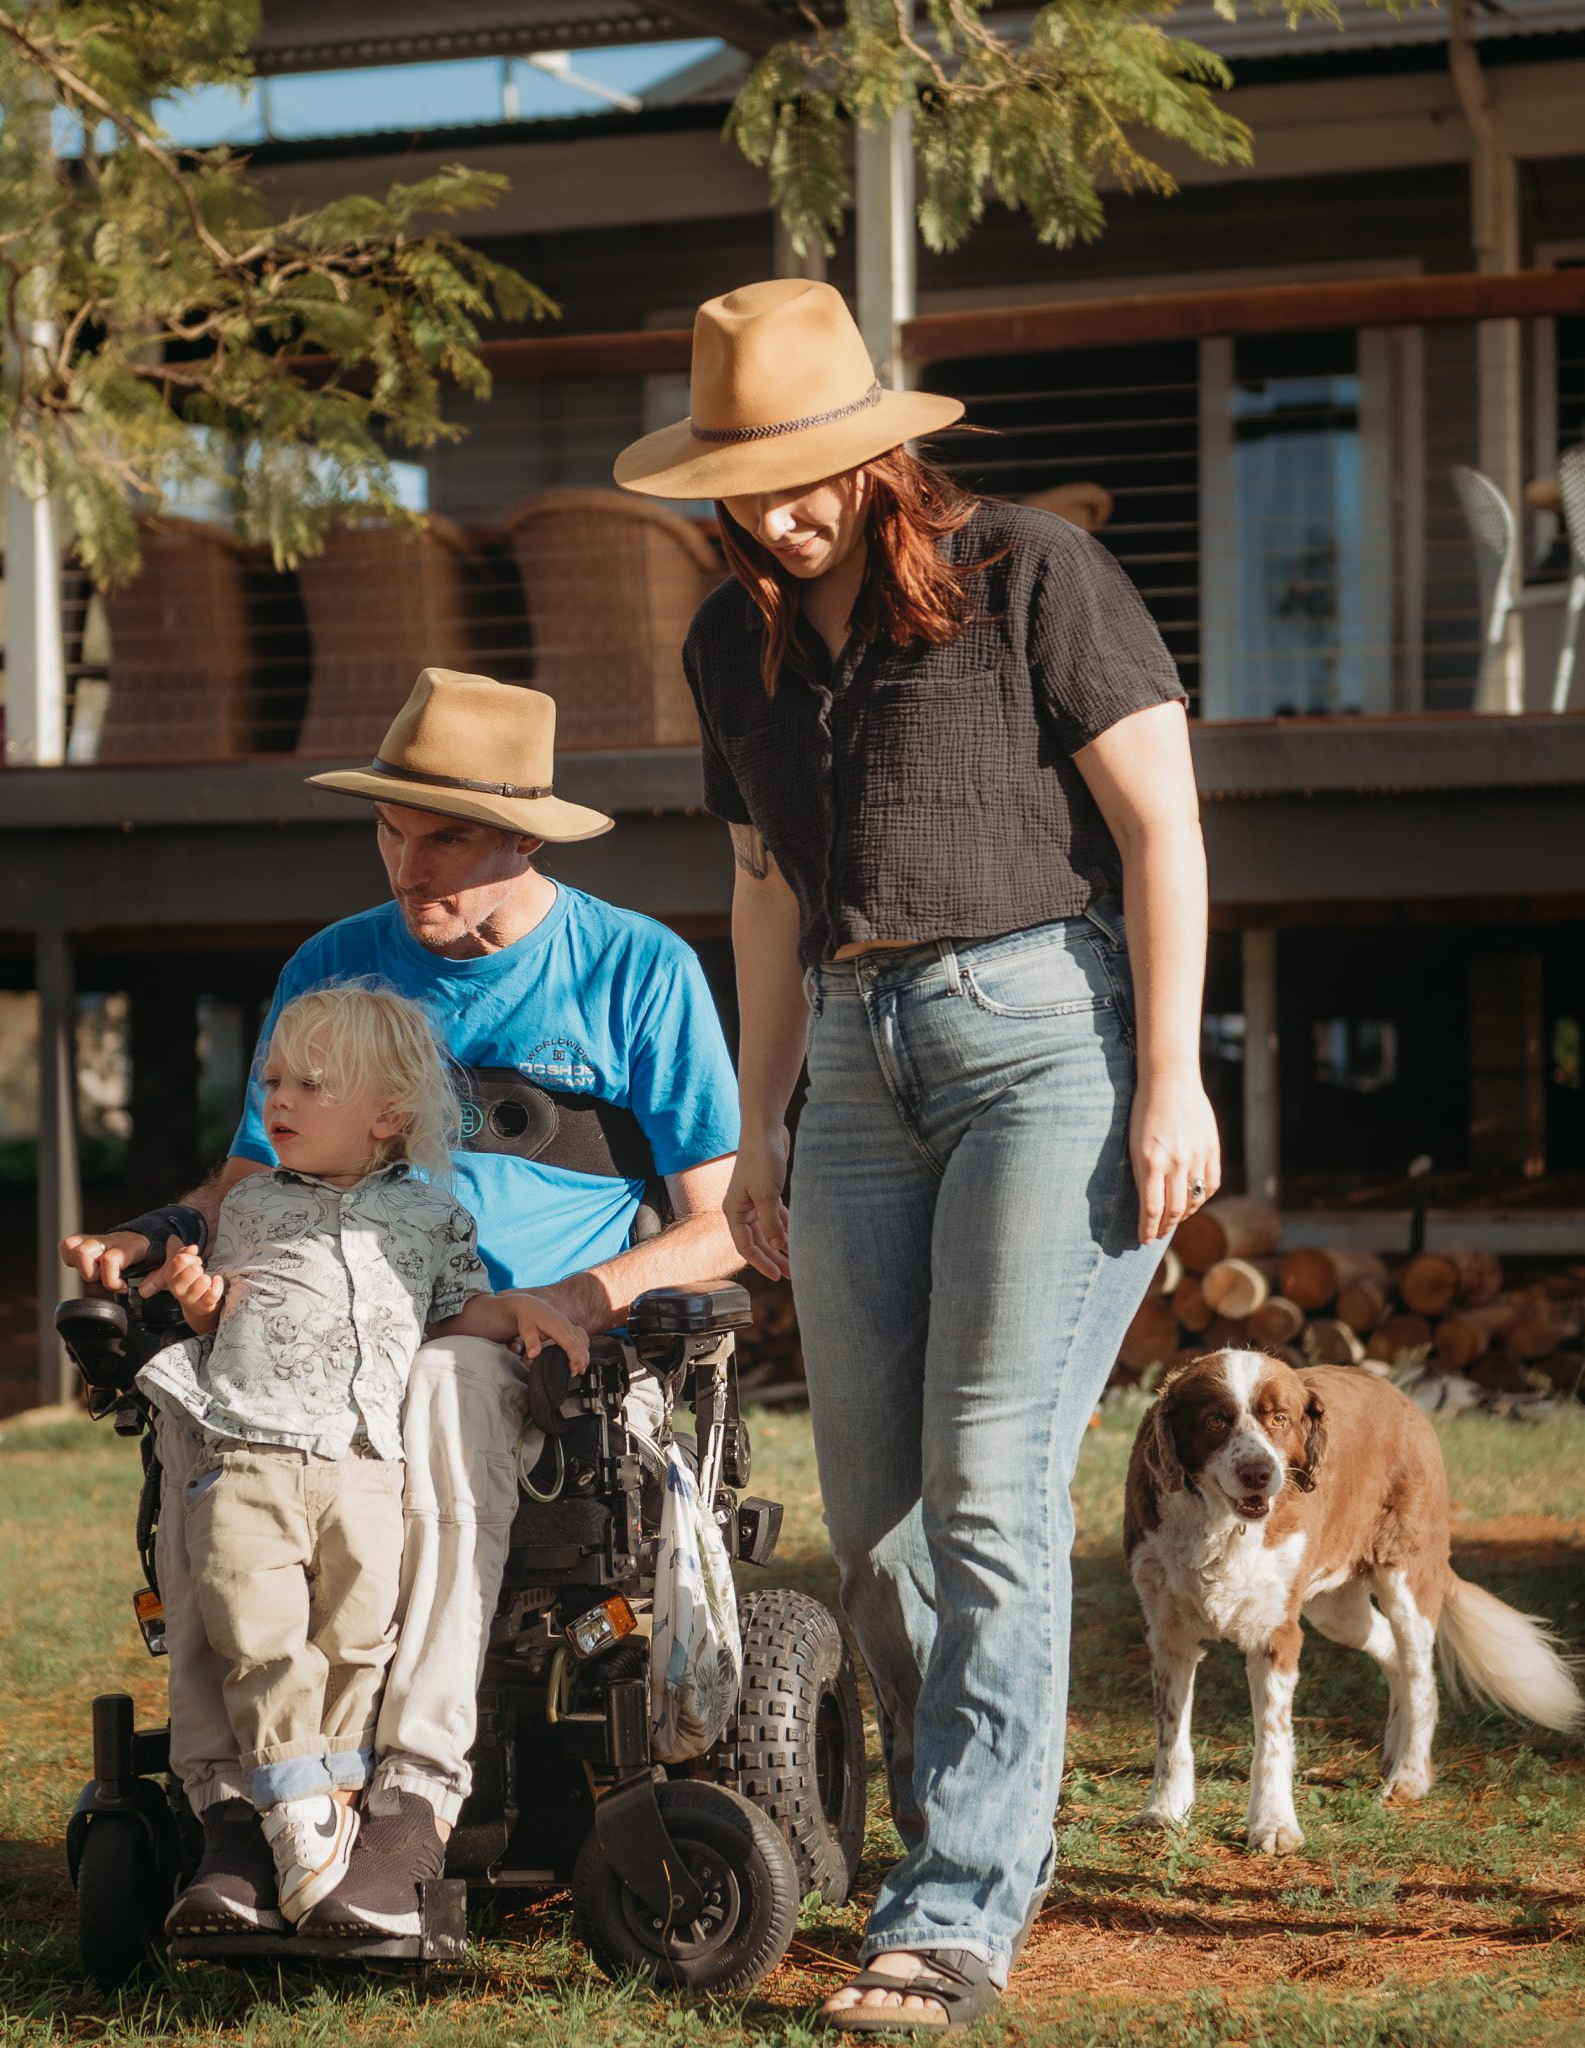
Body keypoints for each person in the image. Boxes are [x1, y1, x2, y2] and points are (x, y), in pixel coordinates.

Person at [615, 279, 1219, 2034]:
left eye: (807, 471)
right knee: (876, 1528)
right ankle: (954, 1827)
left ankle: (952, 1904)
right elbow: (763, 889)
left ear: (877, 451)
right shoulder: (732, 647)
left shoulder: (1033, 570)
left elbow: (1157, 824)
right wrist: (754, 1127)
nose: (778, 507)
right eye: (744, 480)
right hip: (856, 1068)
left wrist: (1169, 1078)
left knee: (985, 1483)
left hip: (1047, 1040)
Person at [62, 668, 741, 1939]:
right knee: (192, 1407)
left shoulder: (638, 971)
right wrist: (147, 1236)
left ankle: (410, 1809)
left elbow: (729, 1227)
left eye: (449, 837)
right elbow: (247, 1182)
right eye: (392, 828)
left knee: (439, 1382)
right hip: (303, 1336)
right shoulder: (332, 964)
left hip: (520, 1352)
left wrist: (574, 1291)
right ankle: (236, 1818)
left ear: (526, 837)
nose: (408, 864)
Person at [142, 984, 590, 1923]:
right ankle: (290, 1809)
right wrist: (195, 1298)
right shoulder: (253, 1203)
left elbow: (455, 1310)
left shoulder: (432, 1217)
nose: (280, 1101)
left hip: (365, 1464)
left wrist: (517, 1311)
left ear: (387, 1116)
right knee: (259, 1632)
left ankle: (336, 1805)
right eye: (272, 1080)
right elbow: (234, 1308)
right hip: (252, 1449)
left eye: (311, 1084)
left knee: (354, 1639)